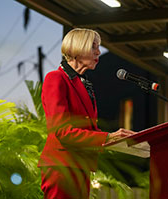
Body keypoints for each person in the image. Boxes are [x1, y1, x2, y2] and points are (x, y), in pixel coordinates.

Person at [38, 28, 135, 199]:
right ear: (77, 48)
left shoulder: (83, 85)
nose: (98, 51)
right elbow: (62, 132)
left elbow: (89, 131)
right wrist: (107, 137)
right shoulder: (55, 78)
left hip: (80, 167)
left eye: (98, 47)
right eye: (93, 46)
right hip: (62, 167)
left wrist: (116, 138)